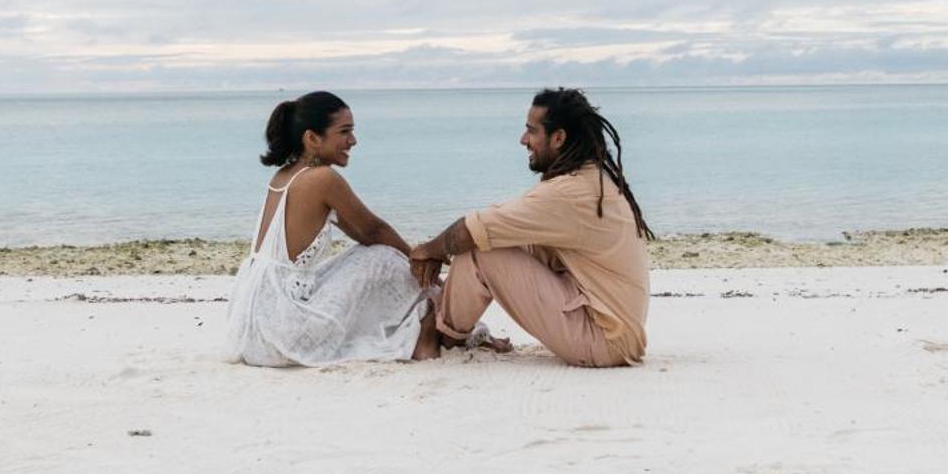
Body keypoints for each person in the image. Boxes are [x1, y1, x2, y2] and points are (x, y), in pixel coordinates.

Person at [409, 88, 653, 367]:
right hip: (612, 330)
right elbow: (502, 227)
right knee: (495, 238)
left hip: (604, 339)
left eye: (531, 131)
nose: (523, 140)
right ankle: (451, 329)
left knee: (478, 248)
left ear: (558, 137)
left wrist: (428, 251)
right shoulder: (586, 181)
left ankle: (443, 336)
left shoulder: (569, 193)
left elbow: (471, 230)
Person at [223, 91, 440, 366]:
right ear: (312, 138)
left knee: (375, 254)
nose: (353, 141)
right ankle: (436, 329)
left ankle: (431, 320)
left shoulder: (284, 175)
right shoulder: (322, 178)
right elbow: (374, 231)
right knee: (383, 258)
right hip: (283, 331)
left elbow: (362, 232)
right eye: (344, 131)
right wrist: (421, 264)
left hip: (249, 331)